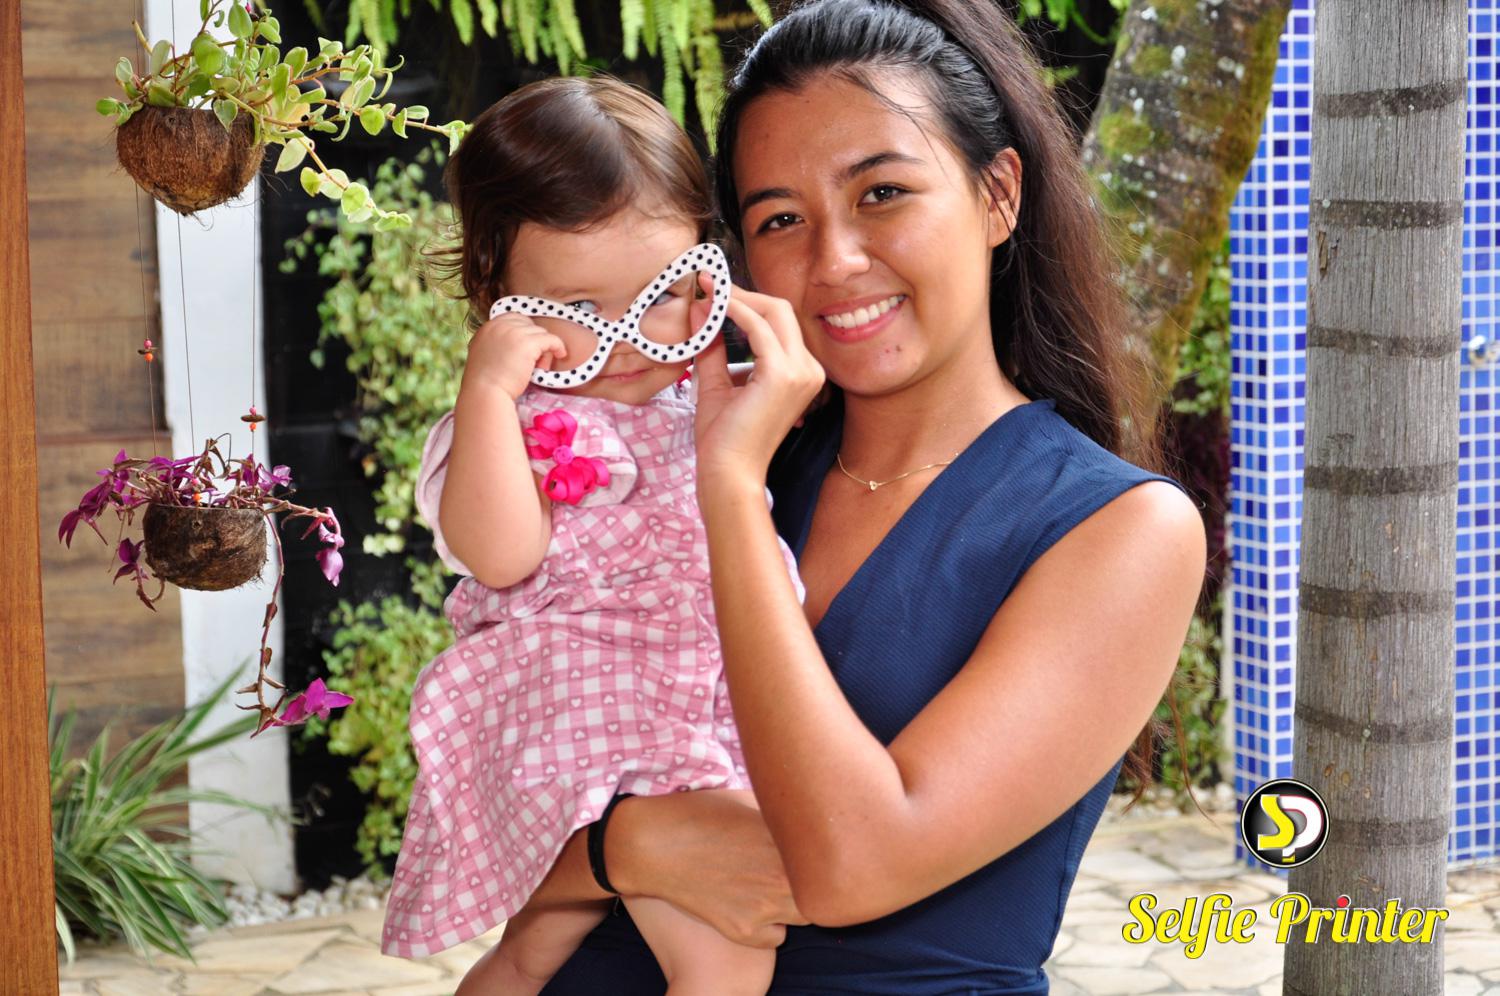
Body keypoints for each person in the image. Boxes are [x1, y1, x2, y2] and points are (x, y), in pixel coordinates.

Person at [524, 0, 1209, 992]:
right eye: (781, 219)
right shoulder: (673, 465)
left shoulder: (1117, 529)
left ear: (998, 195)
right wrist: (620, 849)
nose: (835, 260)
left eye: (882, 193)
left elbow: (854, 866)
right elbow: (501, 795)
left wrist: (729, 491)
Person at [379, 76, 803, 995]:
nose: (628, 342)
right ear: (497, 293)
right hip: (587, 707)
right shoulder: (511, 422)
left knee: (534, 949)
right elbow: (501, 557)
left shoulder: (704, 398)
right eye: (578, 310)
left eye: (664, 296)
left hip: (694, 697)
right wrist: (488, 391)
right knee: (728, 959)